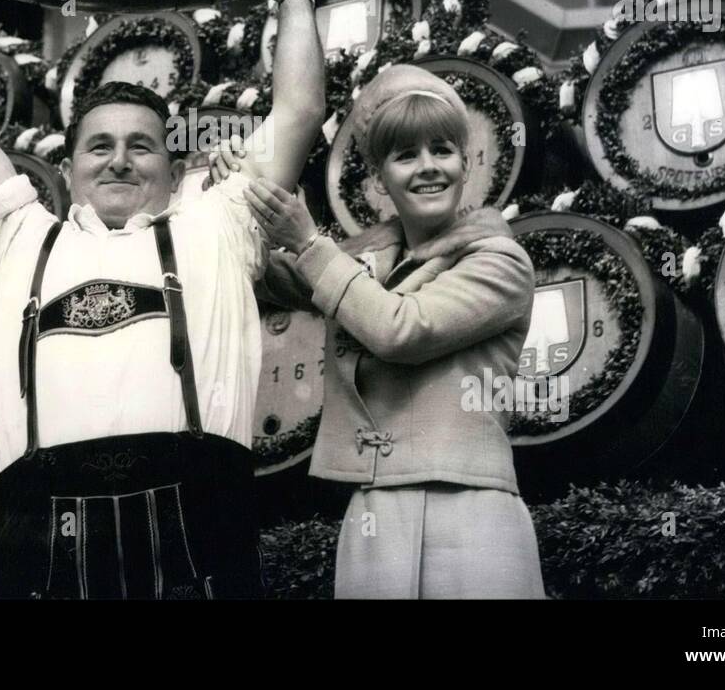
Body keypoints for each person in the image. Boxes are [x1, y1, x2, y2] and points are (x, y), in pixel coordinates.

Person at [0, 0, 325, 598]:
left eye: (141, 146)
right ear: (69, 167)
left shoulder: (218, 223)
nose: (118, 161)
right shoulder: (20, 237)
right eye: (99, 146)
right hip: (40, 541)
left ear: (172, 170)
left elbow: (300, 111)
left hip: (199, 540)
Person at [211, 63, 546, 599]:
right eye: (405, 155)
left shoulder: (500, 260)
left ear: (466, 162)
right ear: (379, 177)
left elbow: (400, 329)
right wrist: (235, 190)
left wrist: (308, 242)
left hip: (472, 507)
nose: (428, 167)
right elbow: (258, 276)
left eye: (442, 150)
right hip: (373, 508)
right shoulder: (363, 260)